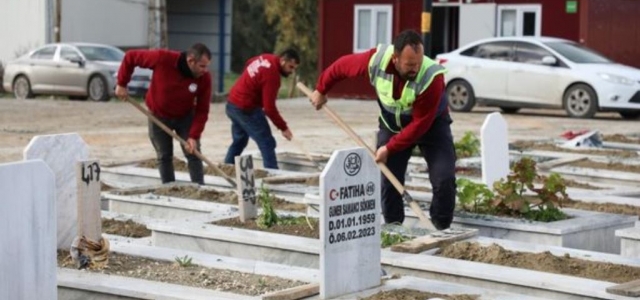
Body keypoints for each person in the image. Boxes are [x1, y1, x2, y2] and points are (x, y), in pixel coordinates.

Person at [310, 30, 456, 230]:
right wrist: (321, 89)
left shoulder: (432, 77)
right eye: (410, 64)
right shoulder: (375, 61)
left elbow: (420, 124)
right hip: (392, 125)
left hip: (431, 126)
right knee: (389, 179)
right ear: (395, 59)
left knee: (444, 178)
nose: (416, 68)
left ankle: (441, 227)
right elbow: (341, 67)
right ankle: (394, 227)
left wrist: (389, 148)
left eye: (419, 62)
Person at [115, 43, 212, 185]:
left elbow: (202, 110)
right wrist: (122, 83)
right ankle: (169, 188)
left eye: (207, 66)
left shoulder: (204, 78)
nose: (205, 70)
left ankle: (199, 187)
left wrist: (193, 136)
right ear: (191, 61)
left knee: (193, 153)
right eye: (202, 66)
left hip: (185, 116)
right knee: (164, 156)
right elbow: (131, 57)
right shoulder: (162, 59)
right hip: (158, 116)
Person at [223, 49, 300, 169]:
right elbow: (269, 108)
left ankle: (227, 169)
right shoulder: (272, 75)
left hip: (232, 103)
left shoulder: (266, 57)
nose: (291, 71)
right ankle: (272, 176)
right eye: (291, 67)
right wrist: (283, 127)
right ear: (283, 61)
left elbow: (249, 62)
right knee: (267, 142)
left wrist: (249, 83)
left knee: (240, 140)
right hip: (245, 108)